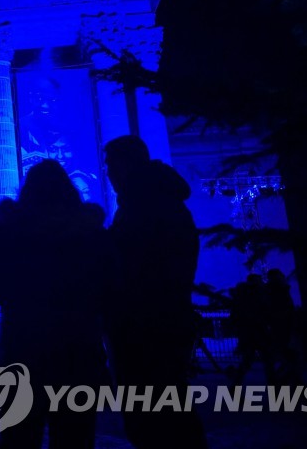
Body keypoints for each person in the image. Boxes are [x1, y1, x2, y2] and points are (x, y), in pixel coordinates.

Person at [0, 158, 110, 449]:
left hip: (22, 348)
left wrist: (11, 293)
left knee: (18, 439)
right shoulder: (90, 231)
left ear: (28, 190)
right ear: (69, 190)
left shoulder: (7, 229)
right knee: (76, 440)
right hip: (78, 351)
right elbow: (114, 284)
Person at [102, 135, 207, 449]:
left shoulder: (143, 207)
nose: (108, 172)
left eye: (111, 164)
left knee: (154, 418)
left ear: (127, 164)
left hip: (145, 326)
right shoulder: (157, 202)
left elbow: (124, 263)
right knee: (166, 412)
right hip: (157, 320)